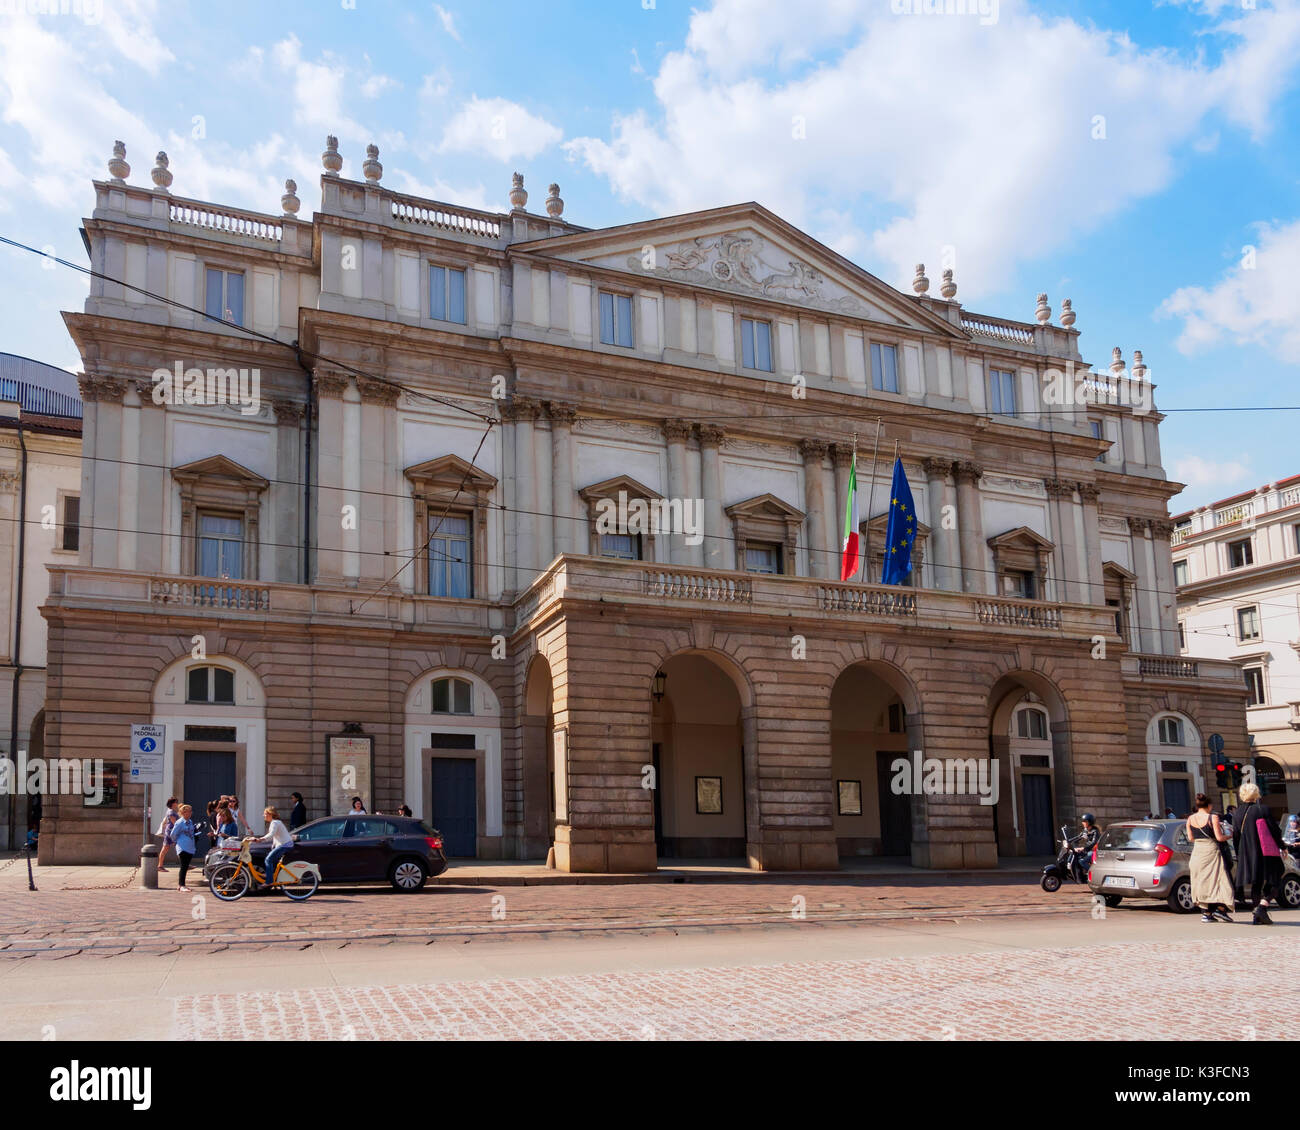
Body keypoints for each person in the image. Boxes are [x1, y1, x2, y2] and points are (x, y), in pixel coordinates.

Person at [1234, 782, 1285, 925]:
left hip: (1246, 852)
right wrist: (1283, 847)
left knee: (1256, 883)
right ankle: (1262, 907)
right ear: (1256, 793)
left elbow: (1236, 836)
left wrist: (1239, 854)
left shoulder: (1237, 813)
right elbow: (1274, 831)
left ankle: (1257, 916)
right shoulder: (1262, 809)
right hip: (1264, 851)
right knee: (1276, 875)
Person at [1186, 794, 1234, 923]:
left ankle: (1206, 913)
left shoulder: (1190, 818)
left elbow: (1190, 838)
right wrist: (1229, 835)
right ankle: (1221, 909)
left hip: (1197, 852)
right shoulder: (1213, 817)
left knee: (1201, 882)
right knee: (1219, 880)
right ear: (1209, 805)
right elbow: (1219, 838)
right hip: (1211, 851)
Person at [251, 807, 294, 890]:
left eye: (265, 814)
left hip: (285, 845)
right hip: (285, 844)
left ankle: (269, 881)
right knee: (271, 858)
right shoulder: (276, 822)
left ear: (270, 814)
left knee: (268, 859)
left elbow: (271, 834)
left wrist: (260, 839)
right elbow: (275, 836)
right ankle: (270, 874)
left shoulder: (275, 823)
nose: (264, 815)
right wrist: (273, 846)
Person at [172, 804, 198, 893]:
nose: (190, 813)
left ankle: (182, 884)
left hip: (190, 847)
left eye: (191, 811)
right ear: (183, 813)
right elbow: (173, 834)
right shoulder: (179, 822)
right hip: (182, 847)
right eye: (188, 811)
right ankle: (181, 885)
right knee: (183, 866)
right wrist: (177, 841)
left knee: (186, 866)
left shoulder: (190, 822)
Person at [156, 797, 179, 872]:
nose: (177, 804)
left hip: (170, 832)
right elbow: (175, 823)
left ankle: (160, 865)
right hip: (171, 832)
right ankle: (160, 866)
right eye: (176, 802)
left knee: (166, 849)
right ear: (172, 803)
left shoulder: (171, 811)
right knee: (166, 848)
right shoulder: (171, 812)